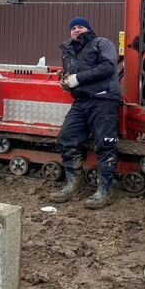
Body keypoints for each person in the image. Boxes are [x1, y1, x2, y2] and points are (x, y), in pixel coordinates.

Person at [51, 16, 121, 209]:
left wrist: (77, 79)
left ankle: (104, 191)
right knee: (66, 138)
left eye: (80, 26)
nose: (76, 30)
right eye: (73, 28)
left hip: (103, 99)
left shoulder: (101, 44)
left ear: (88, 29)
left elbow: (108, 67)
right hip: (81, 102)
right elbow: (71, 75)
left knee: (105, 144)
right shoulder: (68, 51)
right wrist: (66, 81)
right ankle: (74, 184)